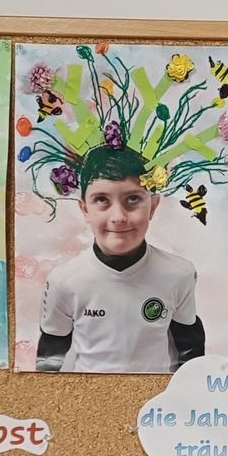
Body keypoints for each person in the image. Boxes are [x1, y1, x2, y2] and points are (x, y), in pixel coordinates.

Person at [35, 145, 205, 373]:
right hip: (88, 401)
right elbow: (49, 358)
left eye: (133, 199)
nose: (118, 217)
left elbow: (189, 349)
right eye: (102, 200)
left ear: (153, 206)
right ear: (84, 209)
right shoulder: (63, 281)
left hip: (154, 404)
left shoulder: (179, 273)